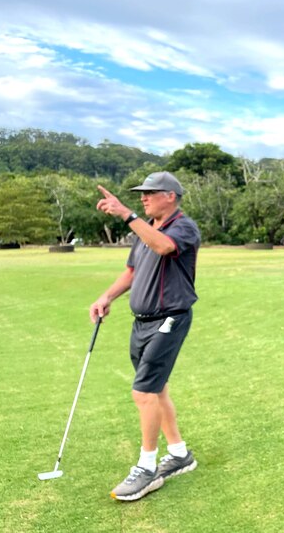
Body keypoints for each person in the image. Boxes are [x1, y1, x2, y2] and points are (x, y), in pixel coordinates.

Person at [91, 171, 200, 501]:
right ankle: (180, 454)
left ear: (170, 195)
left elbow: (164, 247)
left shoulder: (183, 227)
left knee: (143, 392)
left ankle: (147, 468)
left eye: (150, 192)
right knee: (157, 387)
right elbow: (132, 272)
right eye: (141, 194)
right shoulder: (144, 230)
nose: (143, 197)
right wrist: (106, 297)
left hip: (170, 318)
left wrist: (127, 214)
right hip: (142, 322)